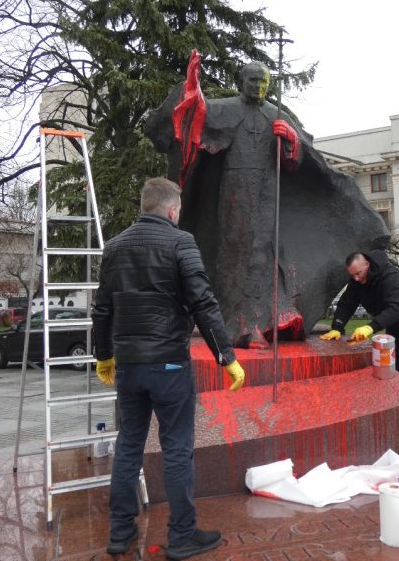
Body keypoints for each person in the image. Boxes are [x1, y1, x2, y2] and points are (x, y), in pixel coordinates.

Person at [142, 51, 388, 348]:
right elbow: (197, 118)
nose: (258, 86)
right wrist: (192, 86)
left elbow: (300, 160)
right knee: (235, 254)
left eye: (263, 81)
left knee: (264, 254)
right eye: (253, 80)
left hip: (269, 193)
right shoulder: (227, 108)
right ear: (242, 82)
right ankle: (236, 324)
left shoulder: (276, 114)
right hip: (235, 193)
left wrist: (291, 141)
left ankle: (265, 320)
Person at [92, 177, 245, 559]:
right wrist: (226, 356)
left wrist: (103, 355)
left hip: (128, 365)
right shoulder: (180, 242)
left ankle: (120, 533)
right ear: (173, 210)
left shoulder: (114, 247)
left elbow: (103, 309)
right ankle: (181, 537)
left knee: (129, 445)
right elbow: (203, 303)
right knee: (176, 448)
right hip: (169, 363)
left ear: (145, 206)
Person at [321, 250, 399, 389]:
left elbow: (396, 308)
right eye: (352, 275)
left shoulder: (390, 275)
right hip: (393, 324)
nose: (356, 279)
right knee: (396, 365)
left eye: (358, 273)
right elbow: (346, 304)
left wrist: (370, 327)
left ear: (367, 264)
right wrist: (337, 327)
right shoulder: (356, 282)